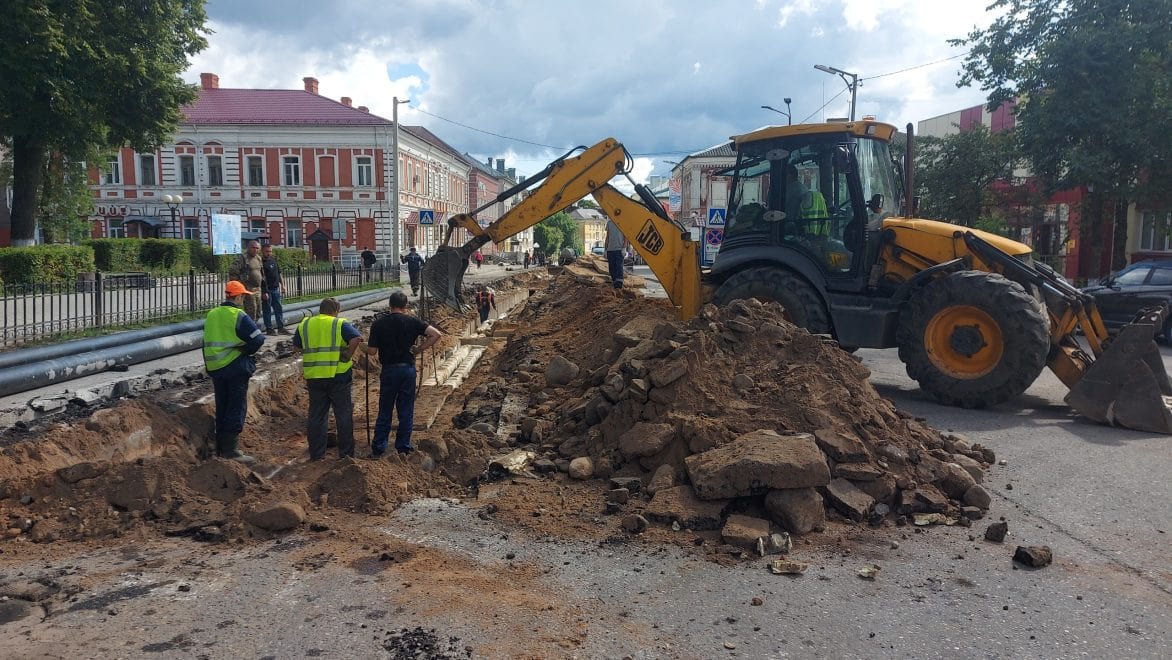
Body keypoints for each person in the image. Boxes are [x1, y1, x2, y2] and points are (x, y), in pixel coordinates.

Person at [366, 291, 441, 456]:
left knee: (385, 409)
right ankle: (403, 447)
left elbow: (371, 351)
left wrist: (360, 346)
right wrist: (419, 349)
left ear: (390, 305)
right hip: (407, 369)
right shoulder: (413, 322)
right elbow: (436, 334)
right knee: (406, 410)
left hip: (389, 370)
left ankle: (379, 448)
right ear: (406, 305)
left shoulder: (379, 324)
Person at [292, 297, 364, 460]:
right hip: (338, 375)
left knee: (317, 415)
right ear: (336, 311)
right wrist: (347, 353)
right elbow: (356, 338)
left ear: (320, 309)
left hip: (315, 377)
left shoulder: (305, 324)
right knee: (343, 414)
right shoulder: (339, 324)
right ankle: (346, 454)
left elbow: (296, 347)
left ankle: (317, 454)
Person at [203, 280, 266, 464]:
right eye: (243, 297)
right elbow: (258, 339)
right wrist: (244, 350)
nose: (243, 300)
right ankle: (231, 450)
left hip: (216, 368)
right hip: (234, 367)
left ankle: (221, 446)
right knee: (236, 405)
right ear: (237, 296)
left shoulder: (212, 314)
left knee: (222, 404)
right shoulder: (238, 315)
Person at [229, 240, 264, 321]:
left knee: (258, 312)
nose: (255, 250)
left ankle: (254, 328)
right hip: (248, 290)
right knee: (251, 312)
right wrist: (239, 286)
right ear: (248, 248)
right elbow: (232, 272)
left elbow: (262, 273)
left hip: (258, 290)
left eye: (257, 248)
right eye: (253, 248)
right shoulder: (243, 258)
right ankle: (250, 331)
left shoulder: (258, 258)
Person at [260, 244, 289, 335]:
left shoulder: (273, 261)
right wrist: (263, 291)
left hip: (276, 289)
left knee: (278, 308)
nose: (269, 253)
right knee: (267, 310)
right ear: (262, 251)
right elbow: (260, 278)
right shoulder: (260, 263)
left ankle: (281, 327)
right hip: (267, 290)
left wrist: (283, 285)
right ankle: (269, 329)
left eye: (270, 251)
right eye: (267, 251)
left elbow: (279, 273)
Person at [605, 219, 626, 289]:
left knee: (619, 266)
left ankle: (619, 285)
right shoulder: (609, 223)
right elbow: (607, 237)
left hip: (619, 249)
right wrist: (605, 249)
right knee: (612, 268)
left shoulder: (623, 222)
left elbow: (626, 236)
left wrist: (624, 248)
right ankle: (614, 283)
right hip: (610, 249)